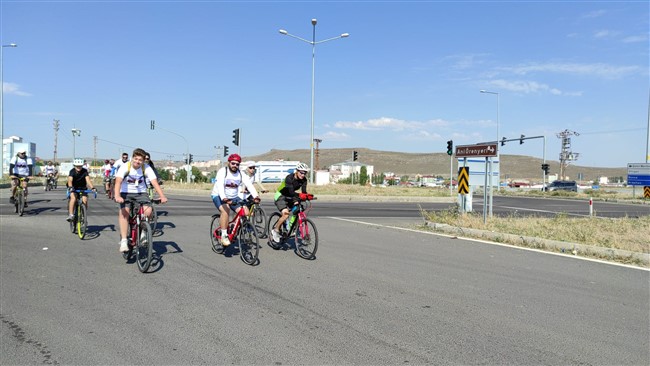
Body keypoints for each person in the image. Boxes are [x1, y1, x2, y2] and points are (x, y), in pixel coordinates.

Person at [114, 148, 167, 253]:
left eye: (140, 160)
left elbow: (154, 182)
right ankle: (124, 240)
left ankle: (143, 232)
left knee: (148, 211)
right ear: (132, 158)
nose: (137, 162)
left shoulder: (146, 168)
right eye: (136, 159)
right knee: (125, 212)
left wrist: (162, 196)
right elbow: (118, 182)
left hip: (141, 193)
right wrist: (117, 195)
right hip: (126, 192)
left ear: (143, 161)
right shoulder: (125, 167)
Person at [210, 154, 260, 247]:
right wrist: (224, 198)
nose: (235, 166)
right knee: (226, 210)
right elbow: (220, 186)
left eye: (237, 164)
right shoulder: (223, 171)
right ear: (229, 162)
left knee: (245, 212)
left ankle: (234, 228)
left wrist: (256, 196)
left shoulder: (241, 174)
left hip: (234, 196)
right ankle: (224, 235)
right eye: (233, 163)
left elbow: (249, 185)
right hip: (218, 195)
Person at [270, 162, 310, 244]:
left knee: (298, 209)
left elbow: (303, 192)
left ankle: (290, 227)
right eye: (301, 172)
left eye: (305, 173)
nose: (303, 174)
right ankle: (275, 230)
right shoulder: (289, 178)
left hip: (290, 196)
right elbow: (291, 191)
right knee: (286, 214)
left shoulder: (304, 180)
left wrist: (307, 197)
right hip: (281, 195)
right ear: (297, 171)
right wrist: (295, 200)